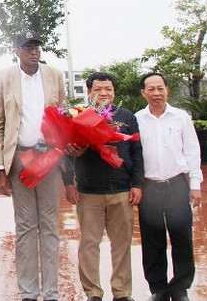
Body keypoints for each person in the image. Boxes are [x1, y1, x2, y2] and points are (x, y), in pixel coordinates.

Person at [0, 31, 69, 301]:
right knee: (24, 227)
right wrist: (0, 167)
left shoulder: (55, 75)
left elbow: (64, 116)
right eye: (28, 47)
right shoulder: (3, 78)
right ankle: (28, 292)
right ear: (16, 50)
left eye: (37, 47)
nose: (34, 51)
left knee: (49, 225)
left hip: (48, 161)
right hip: (19, 161)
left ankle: (51, 292)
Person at [64, 73, 143, 301]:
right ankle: (93, 292)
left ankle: (122, 292)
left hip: (121, 189)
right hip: (89, 191)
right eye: (98, 89)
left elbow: (137, 152)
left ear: (114, 91)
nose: (103, 93)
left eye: (107, 89)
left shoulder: (127, 117)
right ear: (89, 92)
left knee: (122, 244)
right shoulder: (78, 116)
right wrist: (69, 182)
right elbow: (66, 153)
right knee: (89, 244)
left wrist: (137, 184)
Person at [136, 73, 202, 301]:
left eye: (160, 88)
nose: (156, 93)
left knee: (182, 237)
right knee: (152, 240)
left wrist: (195, 185)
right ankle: (159, 289)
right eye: (151, 89)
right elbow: (135, 156)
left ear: (167, 90)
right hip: (149, 187)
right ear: (143, 93)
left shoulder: (180, 117)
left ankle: (180, 287)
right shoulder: (138, 119)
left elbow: (192, 151)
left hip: (177, 185)